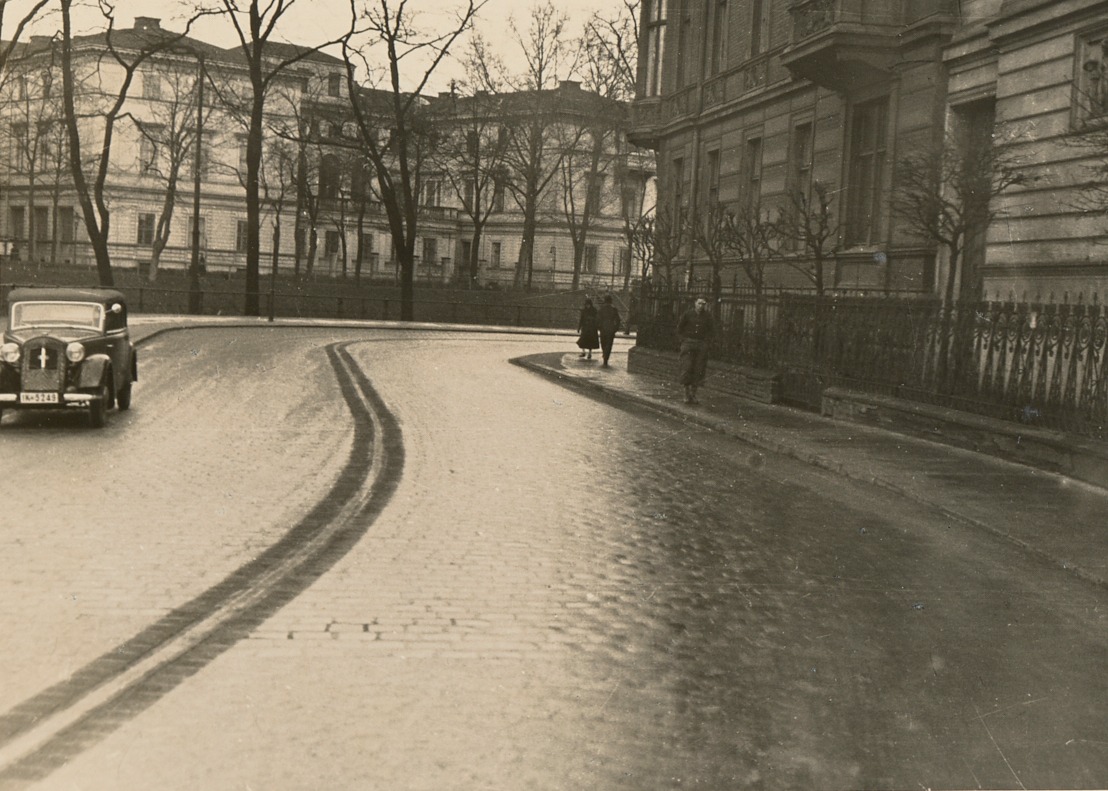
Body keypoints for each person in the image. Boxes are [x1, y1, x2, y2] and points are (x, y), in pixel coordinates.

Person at [676, 296, 714, 404]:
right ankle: (686, 394)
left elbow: (711, 330)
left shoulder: (708, 316)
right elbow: (679, 328)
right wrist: (683, 340)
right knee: (687, 367)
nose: (701, 306)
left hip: (701, 344)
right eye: (699, 303)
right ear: (695, 303)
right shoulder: (687, 314)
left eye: (703, 304)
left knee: (699, 369)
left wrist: (707, 342)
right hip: (688, 343)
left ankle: (693, 394)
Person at [597, 295, 622, 367]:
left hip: (603, 328)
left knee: (603, 343)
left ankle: (604, 354)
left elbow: (598, 319)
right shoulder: (614, 309)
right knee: (609, 344)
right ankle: (606, 358)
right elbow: (618, 320)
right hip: (611, 329)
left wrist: (599, 327)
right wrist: (616, 328)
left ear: (605, 301)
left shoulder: (601, 309)